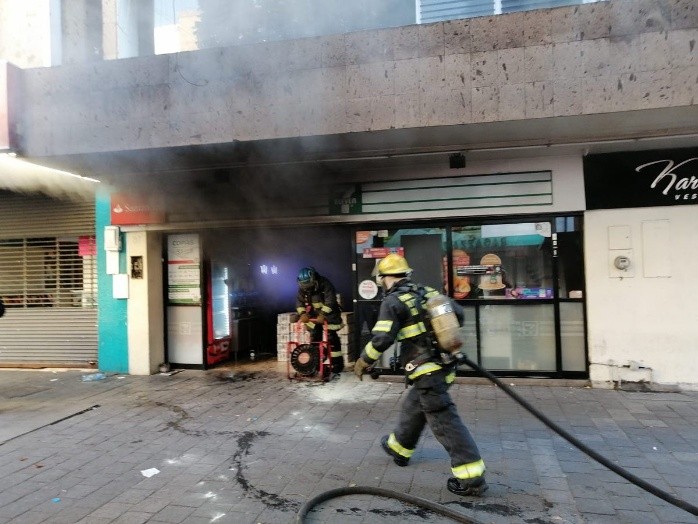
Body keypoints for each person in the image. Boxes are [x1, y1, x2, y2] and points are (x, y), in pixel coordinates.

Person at [354, 253, 487, 496]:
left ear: (384, 278)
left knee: (444, 420)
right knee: (415, 405)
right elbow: (458, 315)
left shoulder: (393, 301)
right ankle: (400, 447)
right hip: (445, 365)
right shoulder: (427, 292)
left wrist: (364, 360)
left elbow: (382, 338)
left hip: (426, 371)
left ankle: (471, 477)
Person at [296, 267, 344, 374]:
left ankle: (336, 364)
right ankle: (315, 364)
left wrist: (323, 314)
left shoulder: (325, 284)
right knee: (315, 338)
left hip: (329, 313)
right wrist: (302, 313)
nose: (307, 287)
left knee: (332, 338)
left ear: (313, 279)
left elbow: (330, 301)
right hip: (314, 314)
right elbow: (299, 303)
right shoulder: (302, 288)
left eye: (308, 284)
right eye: (304, 285)